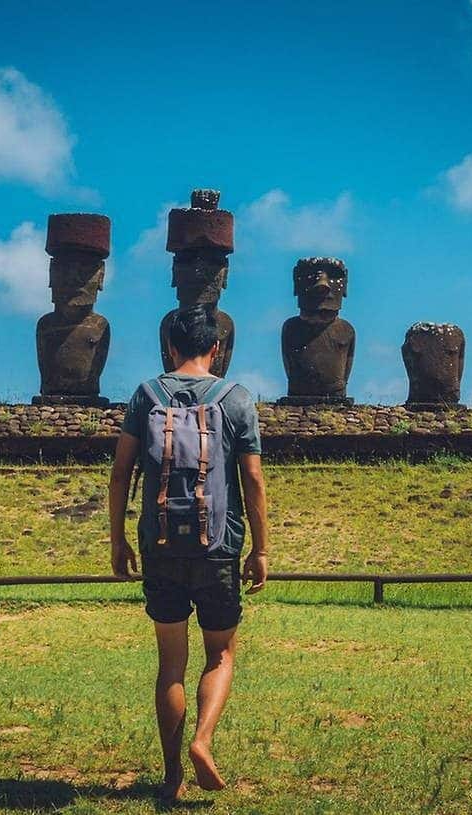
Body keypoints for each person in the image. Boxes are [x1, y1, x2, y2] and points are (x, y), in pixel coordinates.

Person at [108, 304, 270, 801]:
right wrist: (261, 549)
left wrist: (117, 539)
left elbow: (121, 473)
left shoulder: (146, 395)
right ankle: (203, 741)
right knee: (219, 653)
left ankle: (173, 775)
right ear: (216, 349)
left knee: (170, 664)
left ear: (170, 348)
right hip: (219, 546)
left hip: (159, 545)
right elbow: (254, 480)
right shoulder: (236, 398)